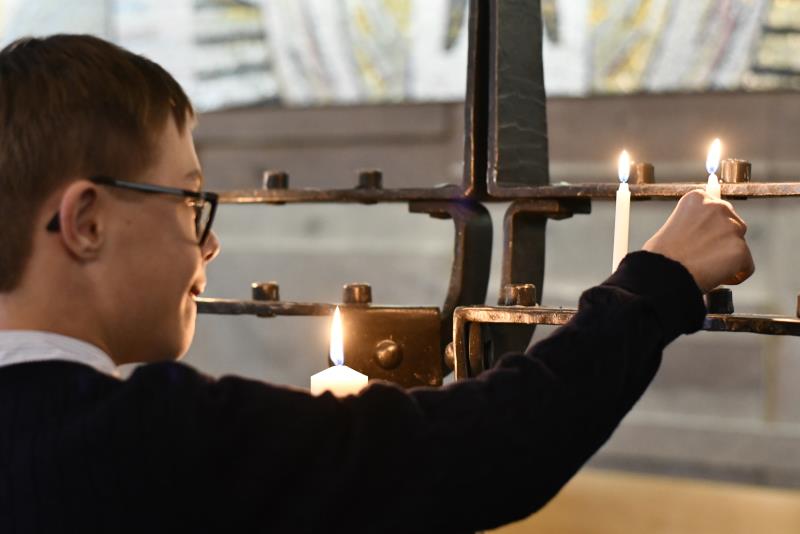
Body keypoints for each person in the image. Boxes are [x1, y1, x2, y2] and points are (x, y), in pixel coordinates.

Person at [0, 35, 753, 534]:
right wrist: (658, 283)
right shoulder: (145, 438)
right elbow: (486, 450)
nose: (211, 239)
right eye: (189, 201)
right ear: (86, 221)